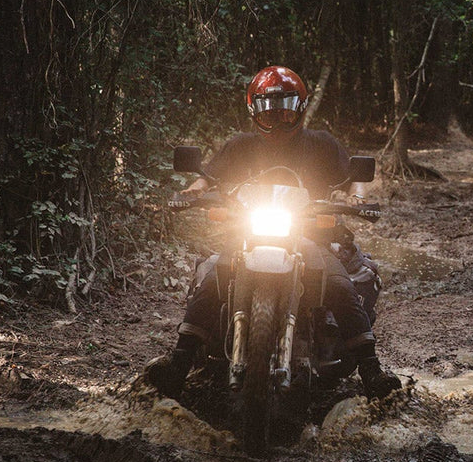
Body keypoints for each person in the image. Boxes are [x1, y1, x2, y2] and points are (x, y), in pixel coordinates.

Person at [141, 65, 403, 400]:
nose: (276, 121)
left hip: (310, 234)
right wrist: (192, 191)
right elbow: (209, 176)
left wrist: (356, 198)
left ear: (300, 108)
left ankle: (371, 370)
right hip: (251, 232)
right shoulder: (240, 145)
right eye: (268, 112)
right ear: (253, 110)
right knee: (212, 277)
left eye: (284, 112)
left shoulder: (321, 144)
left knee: (337, 282)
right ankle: (179, 362)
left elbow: (357, 175)